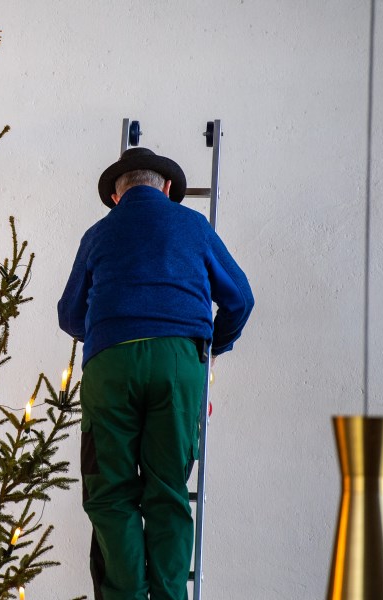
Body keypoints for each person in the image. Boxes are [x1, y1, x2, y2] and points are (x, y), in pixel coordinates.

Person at [57, 148, 254, 600]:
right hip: (178, 362)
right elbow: (241, 300)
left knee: (111, 493)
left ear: (116, 195)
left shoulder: (98, 234)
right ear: (167, 188)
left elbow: (69, 315)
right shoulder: (194, 226)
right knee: (168, 492)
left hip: (110, 366)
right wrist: (212, 349)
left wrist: (109, 332)